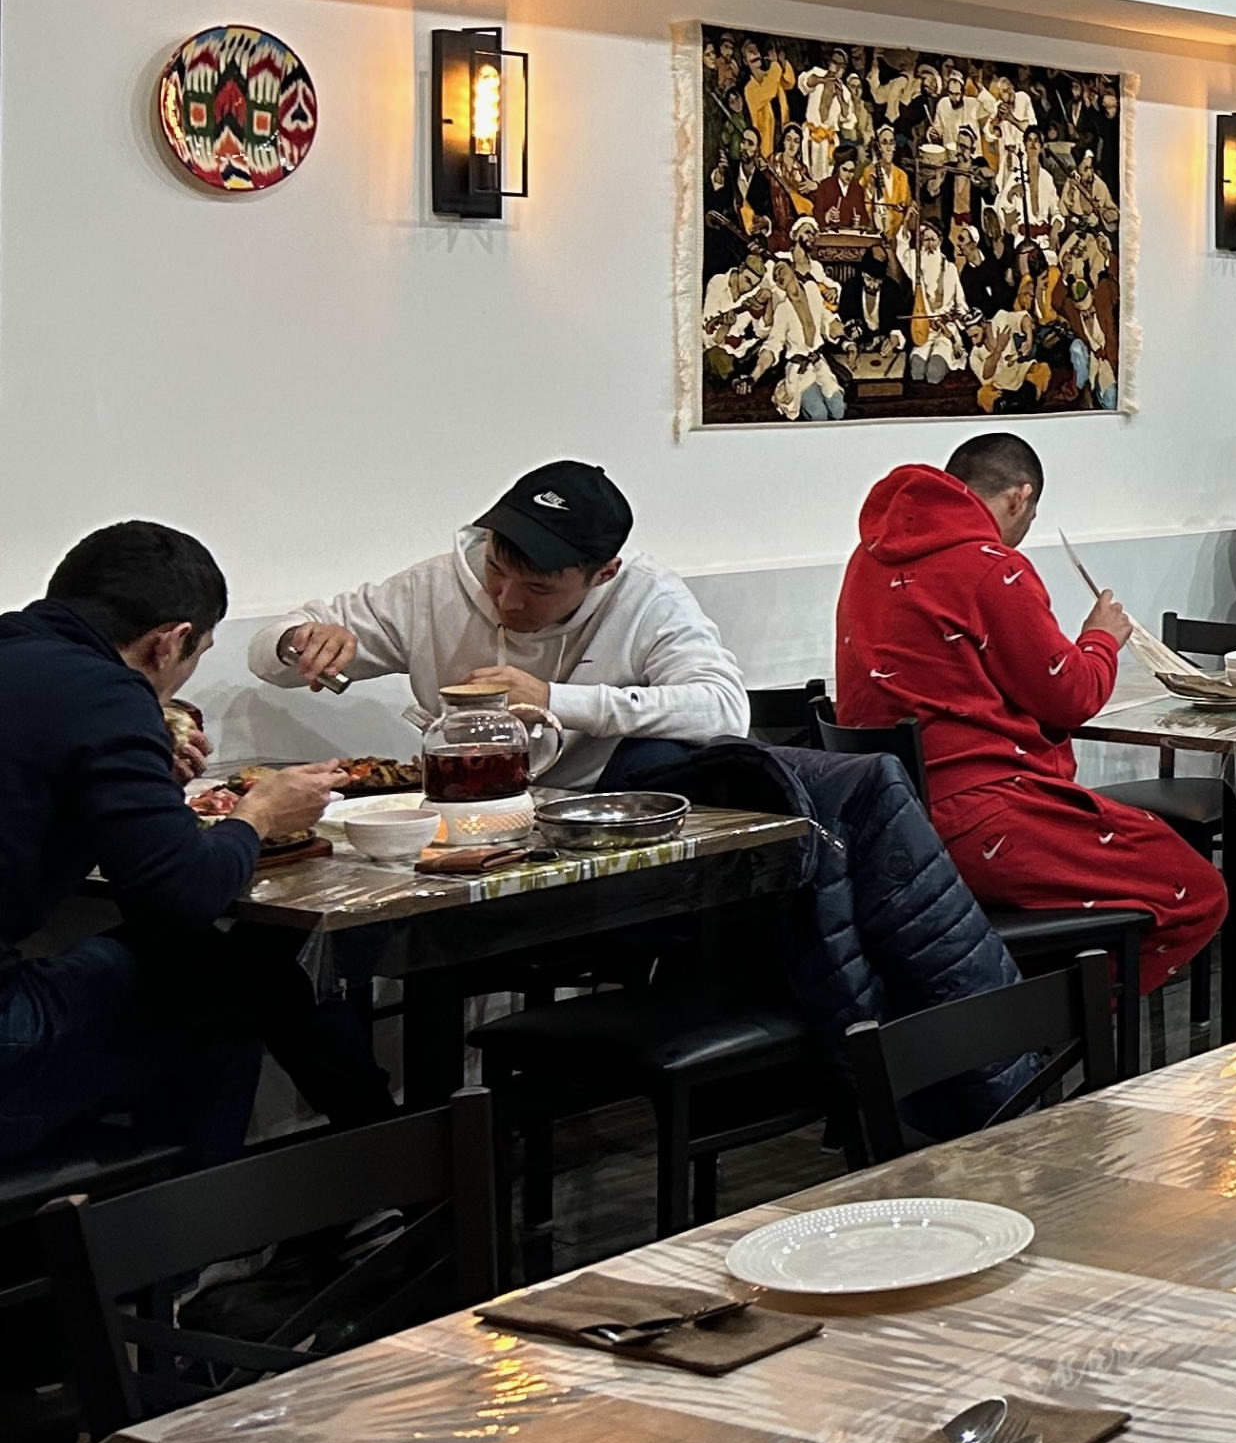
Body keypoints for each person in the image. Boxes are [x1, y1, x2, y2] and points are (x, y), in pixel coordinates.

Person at [2, 525, 353, 1168]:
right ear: (170, 642)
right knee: (225, 978)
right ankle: (178, 1249)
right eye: (198, 653)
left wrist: (130, 780)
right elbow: (181, 891)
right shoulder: (106, 693)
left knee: (188, 966)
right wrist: (258, 816)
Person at [834, 433, 1228, 995]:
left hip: (889, 819)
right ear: (1020, 497)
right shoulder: (991, 565)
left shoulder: (867, 557)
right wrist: (1099, 639)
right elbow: (1071, 697)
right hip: (979, 815)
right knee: (1197, 891)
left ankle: (1012, 1019)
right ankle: (1049, 1039)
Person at [251, 462, 749, 788]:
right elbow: (267, 658)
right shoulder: (434, 585)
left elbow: (723, 709)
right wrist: (300, 643)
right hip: (454, 805)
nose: (506, 602)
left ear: (603, 574)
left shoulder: (647, 597)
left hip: (594, 817)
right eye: (496, 570)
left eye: (537, 589)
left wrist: (552, 699)